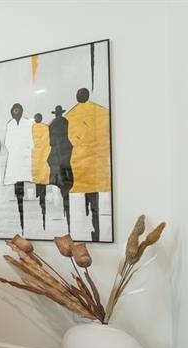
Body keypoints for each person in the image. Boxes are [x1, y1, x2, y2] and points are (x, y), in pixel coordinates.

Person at [66, 88, 111, 241]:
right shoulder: (102, 113)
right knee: (94, 203)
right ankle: (95, 232)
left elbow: (70, 140)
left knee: (87, 202)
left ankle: (91, 233)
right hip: (96, 166)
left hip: (81, 165)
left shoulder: (70, 116)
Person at [3, 103, 34, 233]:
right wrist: (15, 150)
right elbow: (7, 142)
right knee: (16, 180)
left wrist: (25, 151)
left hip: (24, 157)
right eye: (14, 110)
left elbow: (31, 140)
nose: (15, 112)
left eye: (18, 110)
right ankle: (19, 204)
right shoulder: (9, 125)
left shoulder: (27, 123)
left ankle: (23, 215)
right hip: (15, 157)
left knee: (23, 179)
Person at [48, 105, 75, 232]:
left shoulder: (52, 124)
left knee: (61, 182)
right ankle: (67, 215)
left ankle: (66, 214)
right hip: (65, 154)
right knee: (66, 182)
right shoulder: (66, 122)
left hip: (58, 155)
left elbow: (51, 141)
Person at [31, 113, 52, 228]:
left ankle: (40, 201)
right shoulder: (46, 127)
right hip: (43, 157)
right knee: (42, 179)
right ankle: (41, 203)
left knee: (38, 179)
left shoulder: (32, 129)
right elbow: (49, 143)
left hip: (37, 157)